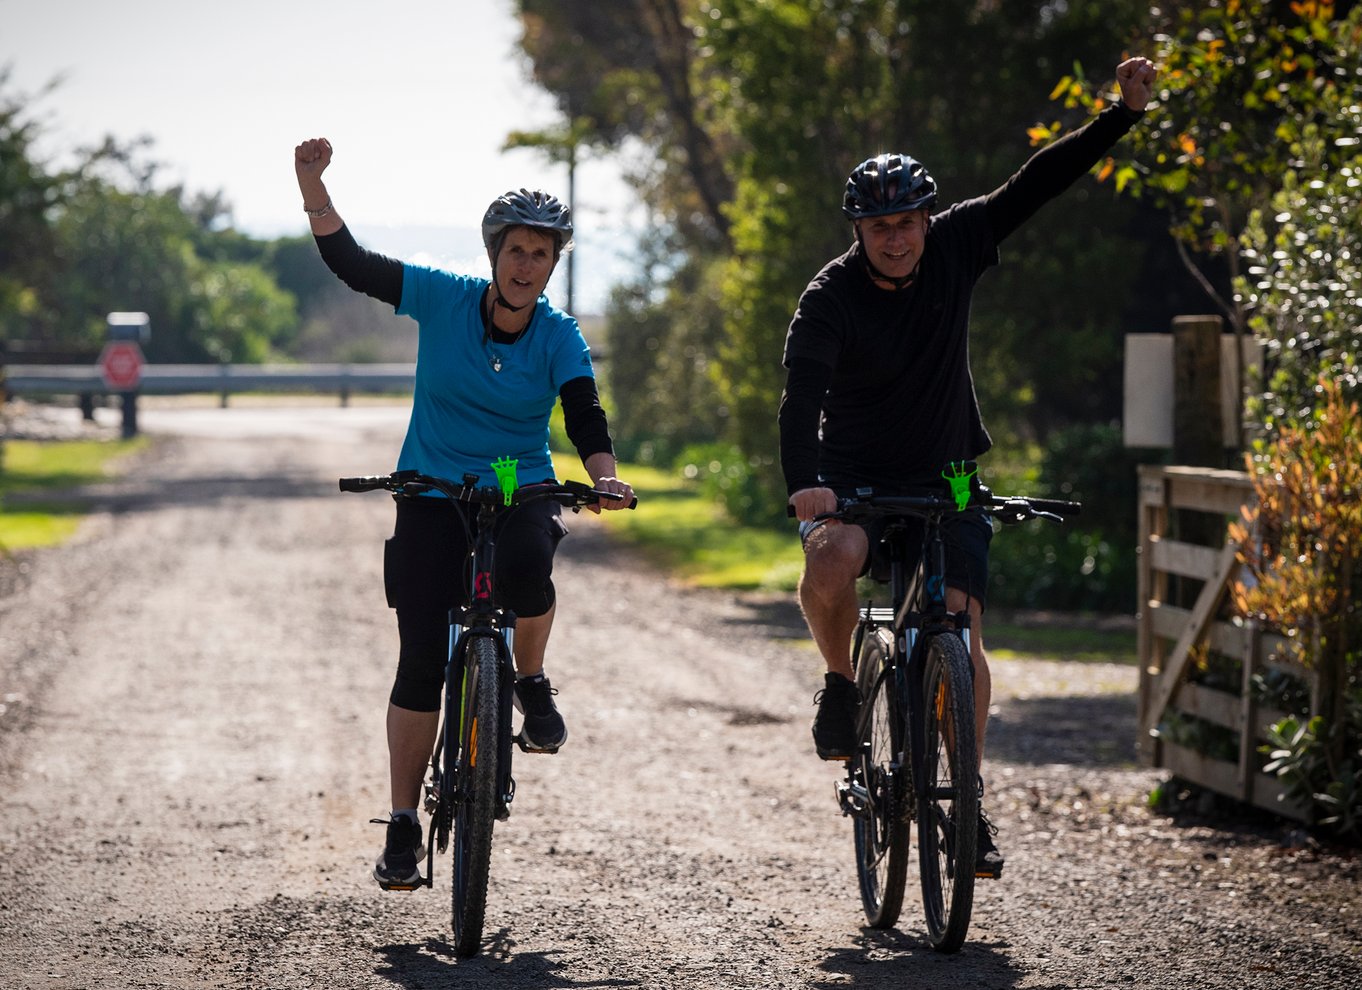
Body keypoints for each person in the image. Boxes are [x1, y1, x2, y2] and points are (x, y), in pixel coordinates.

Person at [779, 57, 1158, 879]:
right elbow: (797, 399)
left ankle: (968, 800)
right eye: (880, 227)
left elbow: (1036, 183)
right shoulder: (829, 298)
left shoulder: (954, 245)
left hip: (947, 471)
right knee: (835, 558)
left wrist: (1118, 117)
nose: (897, 236)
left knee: (960, 623)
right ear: (857, 231)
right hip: (850, 475)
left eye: (908, 221)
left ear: (925, 219)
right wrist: (804, 484)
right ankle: (842, 684)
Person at [294, 137, 635, 890]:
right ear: (495, 253)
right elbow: (353, 264)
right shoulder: (443, 298)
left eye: (542, 255)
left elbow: (586, 415)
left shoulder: (559, 334)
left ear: (553, 265)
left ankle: (531, 679)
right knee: (419, 659)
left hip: (518, 481)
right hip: (430, 485)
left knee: (527, 571)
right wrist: (312, 188)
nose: (526, 265)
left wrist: (605, 477)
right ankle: (405, 824)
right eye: (516, 250)